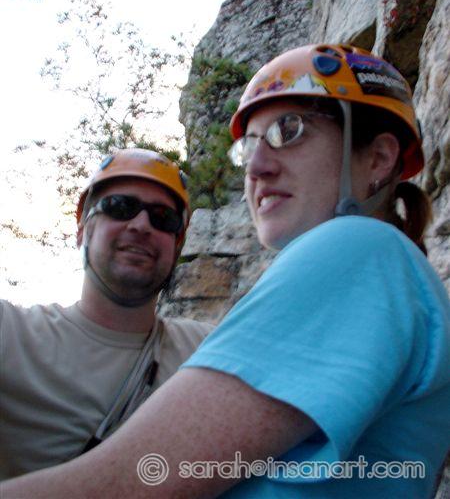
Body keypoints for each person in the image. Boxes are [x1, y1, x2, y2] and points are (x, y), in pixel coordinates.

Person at [2, 44, 449, 498]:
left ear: (379, 158)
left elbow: (127, 484)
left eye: (288, 130)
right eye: (249, 147)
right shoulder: (393, 277)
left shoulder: (357, 250)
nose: (255, 168)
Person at [0, 148, 213, 481]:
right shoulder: (13, 335)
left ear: (177, 245)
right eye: (120, 207)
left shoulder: (210, 350)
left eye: (163, 218)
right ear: (82, 230)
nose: (141, 225)